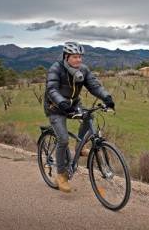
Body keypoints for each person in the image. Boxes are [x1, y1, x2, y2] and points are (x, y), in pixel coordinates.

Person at [43, 41, 114, 193]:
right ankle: (61, 175)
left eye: (80, 57)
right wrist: (60, 102)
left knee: (89, 118)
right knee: (62, 139)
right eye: (75, 57)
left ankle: (79, 148)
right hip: (55, 107)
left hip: (73, 104)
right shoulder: (56, 68)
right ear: (66, 57)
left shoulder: (83, 70)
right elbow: (52, 89)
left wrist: (106, 97)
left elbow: (94, 86)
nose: (79, 60)